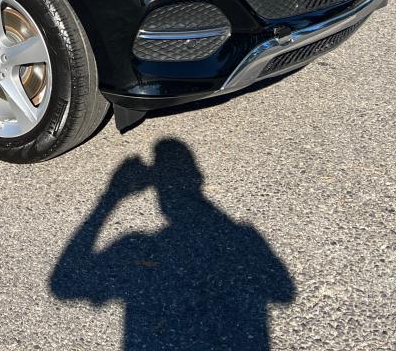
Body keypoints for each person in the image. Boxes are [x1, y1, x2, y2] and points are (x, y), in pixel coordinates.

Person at [51, 138, 295, 351]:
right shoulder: (244, 237)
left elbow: (64, 284)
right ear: (198, 178)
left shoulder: (135, 243)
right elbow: (283, 292)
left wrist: (110, 199)